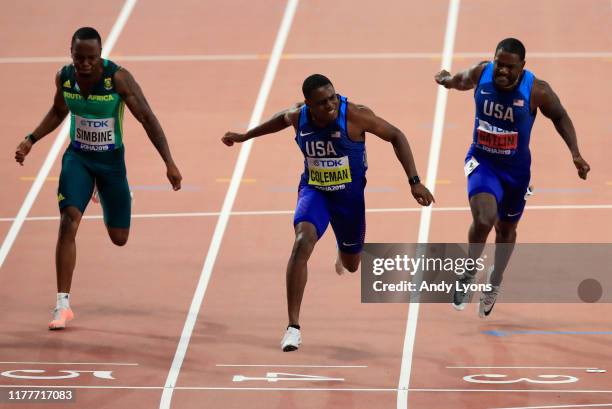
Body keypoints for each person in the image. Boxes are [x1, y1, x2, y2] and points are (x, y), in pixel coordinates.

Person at [222, 74, 434, 351]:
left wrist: (414, 181)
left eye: (333, 98)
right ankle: (293, 327)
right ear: (309, 105)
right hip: (315, 192)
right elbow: (282, 118)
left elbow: (396, 135)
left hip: (348, 200)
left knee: (352, 265)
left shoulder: (356, 116)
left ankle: (340, 243)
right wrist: (245, 136)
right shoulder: (300, 117)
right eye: (322, 103)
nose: (331, 105)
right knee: (301, 243)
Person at [14, 27, 182, 330]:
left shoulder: (118, 79)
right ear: (71, 53)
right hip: (78, 158)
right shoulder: (65, 77)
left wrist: (168, 162)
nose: (85, 64)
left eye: (91, 58)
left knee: (120, 238)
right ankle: (62, 304)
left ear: (100, 55)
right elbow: (58, 109)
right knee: (68, 221)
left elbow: (147, 117)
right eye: (79, 57)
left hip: (111, 164)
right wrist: (31, 139)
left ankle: (105, 194)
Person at [434, 38, 590, 317]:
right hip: (482, 162)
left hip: (516, 173)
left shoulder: (537, 90)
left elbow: (560, 116)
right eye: (499, 64)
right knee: (484, 219)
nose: (502, 72)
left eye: (510, 67)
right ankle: (469, 271)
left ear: (522, 66)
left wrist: (575, 153)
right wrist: (446, 80)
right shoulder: (481, 73)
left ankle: (495, 280)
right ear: (492, 60)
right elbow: (460, 81)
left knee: (506, 231)